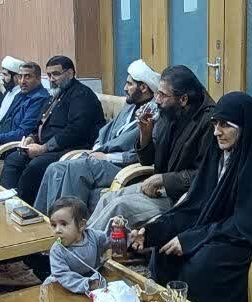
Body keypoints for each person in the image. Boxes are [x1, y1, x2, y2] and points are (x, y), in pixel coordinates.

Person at [129, 92, 252, 302]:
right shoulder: (219, 151)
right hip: (222, 229)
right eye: (215, 124)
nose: (216, 132)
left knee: (200, 266)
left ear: (244, 126)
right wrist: (153, 231)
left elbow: (248, 223)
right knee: (164, 251)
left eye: (225, 125)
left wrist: (191, 239)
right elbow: (196, 204)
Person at [86, 65, 215, 231]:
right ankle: (81, 241)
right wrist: (145, 134)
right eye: (157, 93)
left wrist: (163, 179)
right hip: (159, 190)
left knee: (119, 206)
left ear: (183, 99)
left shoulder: (209, 123)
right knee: (107, 199)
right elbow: (148, 160)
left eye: (162, 95)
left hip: (185, 200)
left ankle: (85, 244)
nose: (157, 100)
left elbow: (206, 174)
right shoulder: (169, 114)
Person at [33, 59, 160, 213]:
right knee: (55, 168)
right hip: (101, 158)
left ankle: (72, 223)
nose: (125, 88)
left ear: (144, 87)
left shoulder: (153, 114)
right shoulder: (130, 106)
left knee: (75, 169)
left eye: (129, 84)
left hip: (122, 165)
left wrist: (106, 157)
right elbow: (106, 130)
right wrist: (97, 148)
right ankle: (44, 220)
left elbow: (140, 154)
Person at [0, 55, 104, 204]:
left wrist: (43, 148)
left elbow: (76, 131)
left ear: (70, 73)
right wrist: (32, 137)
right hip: (47, 146)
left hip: (70, 148)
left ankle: (26, 209)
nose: (51, 79)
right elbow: (40, 122)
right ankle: (5, 202)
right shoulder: (58, 93)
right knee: (13, 159)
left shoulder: (82, 94)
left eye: (55, 74)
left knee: (35, 166)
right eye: (48, 75)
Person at [43, 197, 110, 295]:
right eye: (54, 225)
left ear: (81, 225)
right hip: (65, 288)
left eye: (63, 224)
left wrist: (118, 230)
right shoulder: (57, 250)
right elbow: (64, 276)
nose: (57, 230)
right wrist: (88, 284)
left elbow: (109, 240)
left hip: (92, 281)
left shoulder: (93, 236)